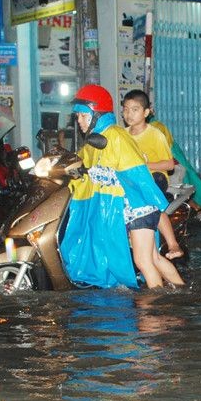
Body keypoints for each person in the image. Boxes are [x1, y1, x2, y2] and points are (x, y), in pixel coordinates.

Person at [60, 84, 184, 289]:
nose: (79, 121)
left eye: (83, 116)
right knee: (154, 259)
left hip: (139, 206)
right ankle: (182, 290)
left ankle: (156, 306)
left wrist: (89, 172)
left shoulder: (114, 136)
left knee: (143, 261)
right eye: (78, 117)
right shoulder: (97, 139)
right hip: (135, 207)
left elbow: (127, 173)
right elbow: (81, 160)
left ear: (95, 113)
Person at [121, 89, 184, 259]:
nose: (129, 114)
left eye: (135, 109)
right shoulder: (122, 136)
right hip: (132, 179)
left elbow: (170, 164)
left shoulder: (155, 134)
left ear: (146, 112)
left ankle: (173, 244)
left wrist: (144, 166)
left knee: (152, 200)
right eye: (126, 109)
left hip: (155, 177)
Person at [148, 114, 201, 222]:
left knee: (174, 196)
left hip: (172, 168)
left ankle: (197, 212)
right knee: (174, 196)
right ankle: (199, 211)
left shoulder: (155, 128)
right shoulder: (153, 127)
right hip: (170, 168)